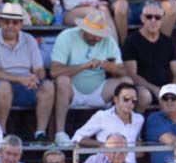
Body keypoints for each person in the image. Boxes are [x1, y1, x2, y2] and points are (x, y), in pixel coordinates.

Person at [71, 81, 171, 163]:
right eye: (126, 99)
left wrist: (138, 147)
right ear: (116, 99)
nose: (130, 103)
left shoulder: (139, 119)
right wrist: (102, 145)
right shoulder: (102, 116)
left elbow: (137, 143)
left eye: (134, 101)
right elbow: (77, 138)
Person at [0, 3, 55, 142]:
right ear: (0, 22)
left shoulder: (29, 40)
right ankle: (1, 133)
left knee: (48, 86)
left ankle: (40, 133)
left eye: (15, 22)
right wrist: (20, 79)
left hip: (24, 85)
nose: (10, 26)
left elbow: (39, 69)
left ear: (21, 24)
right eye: (6, 22)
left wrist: (34, 78)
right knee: (4, 86)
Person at [51, 8, 130, 145]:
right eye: (94, 34)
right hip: (72, 91)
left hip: (99, 89)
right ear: (84, 29)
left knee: (126, 83)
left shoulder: (108, 41)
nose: (97, 38)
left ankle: (123, 131)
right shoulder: (66, 36)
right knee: (62, 80)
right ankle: (60, 133)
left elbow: (123, 71)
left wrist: (110, 67)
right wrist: (83, 66)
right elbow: (54, 71)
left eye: (100, 35)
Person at [121, 0, 176, 113]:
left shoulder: (168, 42)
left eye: (157, 17)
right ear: (142, 18)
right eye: (149, 17)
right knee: (144, 96)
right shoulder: (131, 41)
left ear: (162, 20)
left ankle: (169, 123)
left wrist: (171, 90)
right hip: (142, 88)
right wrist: (154, 89)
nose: (153, 20)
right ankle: (137, 128)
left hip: (165, 88)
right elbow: (132, 75)